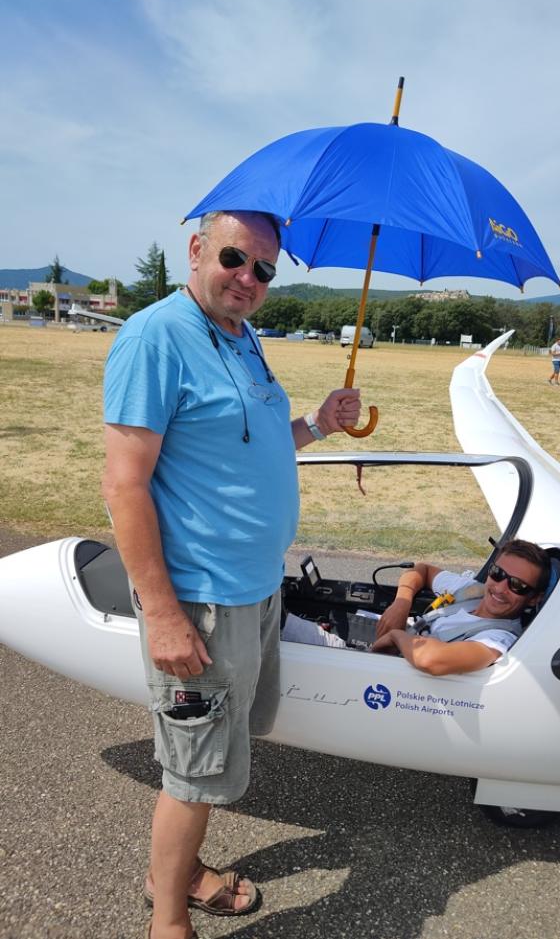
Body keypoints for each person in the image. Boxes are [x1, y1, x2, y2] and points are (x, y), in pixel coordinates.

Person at [103, 210, 361, 939]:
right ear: (196, 250)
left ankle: (179, 872)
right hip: (201, 597)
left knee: (217, 751)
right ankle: (168, 919)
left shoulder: (243, 336)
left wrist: (318, 423)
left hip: (256, 588)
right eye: (234, 259)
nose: (248, 278)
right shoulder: (155, 337)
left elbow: (250, 444)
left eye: (264, 270)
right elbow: (124, 484)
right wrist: (162, 612)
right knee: (194, 771)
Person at [283, 540, 549, 676]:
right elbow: (421, 570)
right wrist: (402, 602)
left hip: (380, 670)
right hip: (384, 644)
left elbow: (431, 660)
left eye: (517, 586)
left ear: (534, 598)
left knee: (278, 630)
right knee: (287, 619)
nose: (500, 588)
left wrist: (396, 636)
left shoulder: (498, 638)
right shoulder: (472, 591)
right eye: (498, 573)